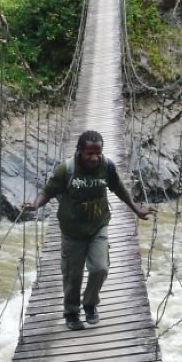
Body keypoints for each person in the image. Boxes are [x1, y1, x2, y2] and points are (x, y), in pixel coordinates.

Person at [23, 130, 156, 331]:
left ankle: (90, 304)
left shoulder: (107, 166)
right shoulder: (66, 169)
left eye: (98, 153)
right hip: (72, 231)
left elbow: (119, 188)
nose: (94, 158)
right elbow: (48, 191)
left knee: (100, 268)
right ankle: (71, 312)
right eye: (89, 153)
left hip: (98, 226)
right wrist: (35, 205)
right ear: (79, 151)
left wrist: (136, 209)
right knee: (72, 275)